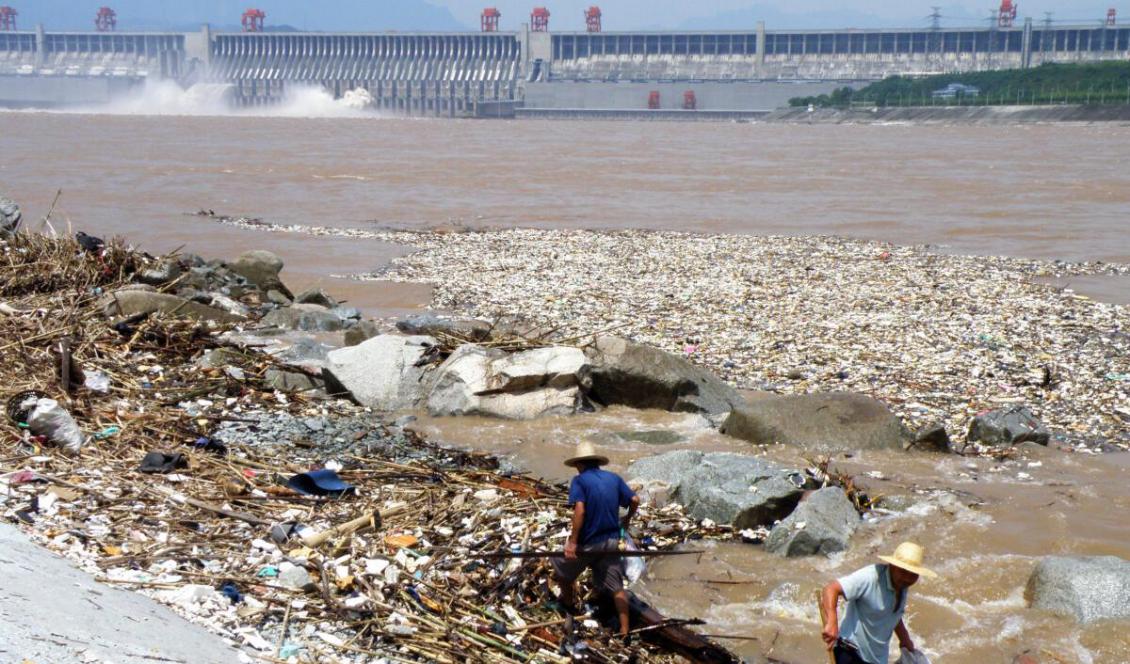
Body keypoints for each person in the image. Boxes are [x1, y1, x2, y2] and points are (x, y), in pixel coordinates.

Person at [552, 441, 640, 639]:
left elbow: (580, 510)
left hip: (590, 543)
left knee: (562, 570)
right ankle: (625, 630)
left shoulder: (580, 481)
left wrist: (572, 542)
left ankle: (568, 605)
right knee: (617, 587)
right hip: (612, 541)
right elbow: (635, 500)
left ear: (579, 464)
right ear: (597, 462)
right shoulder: (614, 478)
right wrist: (627, 519)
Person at [820, 541, 937, 664]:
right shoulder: (870, 577)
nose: (907, 578)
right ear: (893, 566)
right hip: (850, 652)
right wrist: (832, 622)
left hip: (876, 660)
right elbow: (831, 589)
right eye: (903, 571)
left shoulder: (902, 585)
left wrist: (904, 639)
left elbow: (892, 613)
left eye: (913, 574)